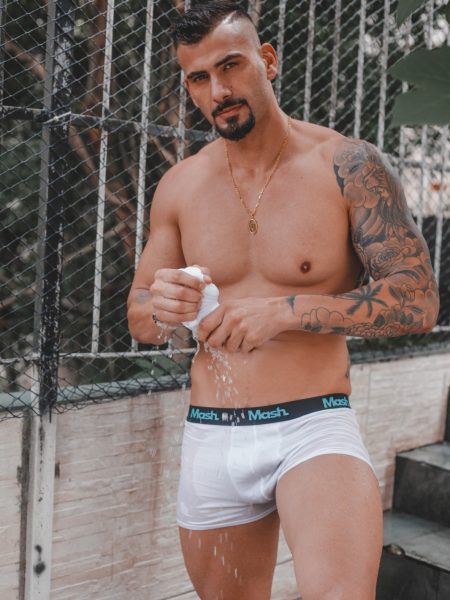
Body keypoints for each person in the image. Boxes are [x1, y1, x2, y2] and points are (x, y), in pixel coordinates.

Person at [127, 2, 440, 599]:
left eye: (231, 66)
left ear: (267, 60)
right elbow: (141, 316)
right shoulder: (180, 186)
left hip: (313, 425)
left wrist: (286, 312)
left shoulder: (347, 164)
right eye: (199, 78)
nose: (218, 91)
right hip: (213, 432)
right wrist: (163, 303)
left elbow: (418, 301)